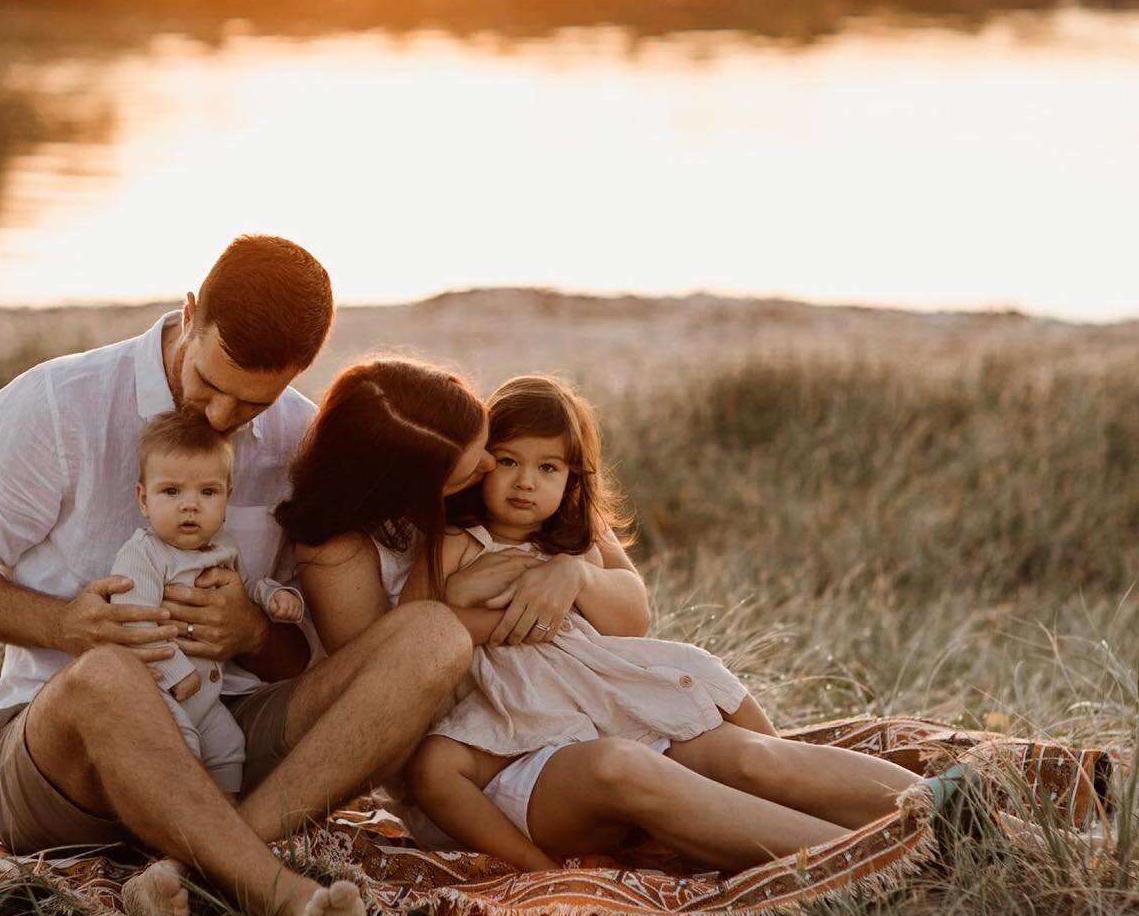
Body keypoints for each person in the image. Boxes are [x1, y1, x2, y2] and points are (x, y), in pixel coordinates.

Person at [0, 235, 471, 916]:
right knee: (108, 672)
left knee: (434, 637)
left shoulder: (300, 436)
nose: (219, 413)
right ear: (189, 315)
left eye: (252, 401)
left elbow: (307, 651)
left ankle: (203, 862)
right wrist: (63, 623)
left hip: (229, 739)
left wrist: (252, 632)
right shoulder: (59, 404)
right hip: (65, 765)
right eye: (210, 381)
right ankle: (279, 897)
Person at [289, 358, 921, 877]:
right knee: (631, 765)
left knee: (754, 760)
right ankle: (869, 855)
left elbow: (632, 615)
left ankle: (941, 808)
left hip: (602, 702)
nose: (513, 479)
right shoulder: (437, 537)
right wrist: (469, 599)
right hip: (514, 736)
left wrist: (575, 573)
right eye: (501, 460)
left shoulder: (566, 530)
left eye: (546, 468)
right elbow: (415, 636)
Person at [108, 409, 305, 797]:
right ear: (143, 499)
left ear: (227, 497)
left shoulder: (224, 547)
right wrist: (177, 673)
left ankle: (226, 817)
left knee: (230, 745)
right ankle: (184, 832)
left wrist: (276, 596)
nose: (190, 506)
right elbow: (136, 624)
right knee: (183, 752)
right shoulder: (144, 555)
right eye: (172, 492)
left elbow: (245, 588)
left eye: (208, 492)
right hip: (161, 695)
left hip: (207, 698)